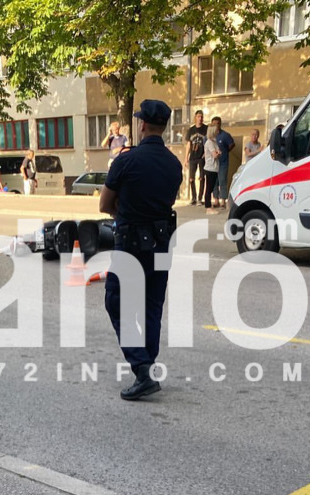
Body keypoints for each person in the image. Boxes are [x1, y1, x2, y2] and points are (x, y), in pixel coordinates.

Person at [99, 100, 182, 401]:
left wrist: (124, 209)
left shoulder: (126, 160)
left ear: (142, 124)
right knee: (152, 306)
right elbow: (167, 200)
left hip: (131, 244)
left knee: (116, 301)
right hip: (162, 243)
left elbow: (104, 204)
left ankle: (142, 369)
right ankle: (147, 365)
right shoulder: (174, 164)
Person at [183, 110, 208, 205]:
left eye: (201, 117)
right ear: (195, 117)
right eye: (198, 116)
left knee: (201, 178)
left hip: (202, 157)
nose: (200, 118)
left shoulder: (206, 128)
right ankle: (193, 198)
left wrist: (206, 154)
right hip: (192, 157)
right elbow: (188, 144)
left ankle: (200, 198)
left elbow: (209, 142)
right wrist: (186, 158)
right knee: (191, 178)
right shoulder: (191, 130)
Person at [210, 116, 234, 208]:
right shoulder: (210, 136)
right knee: (214, 182)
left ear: (220, 124)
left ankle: (223, 200)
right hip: (213, 163)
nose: (216, 125)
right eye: (214, 124)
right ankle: (216, 200)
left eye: (218, 124)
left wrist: (226, 151)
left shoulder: (225, 135)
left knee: (222, 180)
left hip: (223, 162)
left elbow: (232, 145)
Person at [203, 126, 221, 215]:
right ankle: (208, 207)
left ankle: (209, 205)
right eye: (216, 131)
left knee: (212, 187)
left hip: (214, 168)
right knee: (209, 188)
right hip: (210, 168)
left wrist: (218, 153)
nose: (218, 132)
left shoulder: (214, 142)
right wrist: (218, 153)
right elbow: (215, 155)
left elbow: (219, 152)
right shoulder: (209, 143)